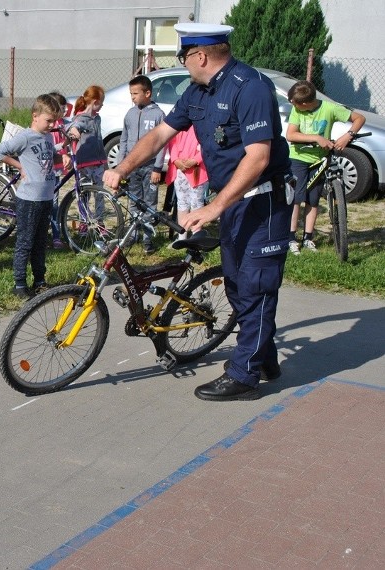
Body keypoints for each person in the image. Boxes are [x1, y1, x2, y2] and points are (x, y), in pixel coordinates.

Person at [103, 23, 293, 402]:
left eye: (184, 57)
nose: (184, 64)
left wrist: (213, 207)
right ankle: (263, 358)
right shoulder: (199, 91)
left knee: (255, 287)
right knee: (238, 285)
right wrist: (123, 167)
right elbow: (160, 135)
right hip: (235, 200)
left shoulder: (250, 87)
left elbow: (258, 158)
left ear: (201, 56)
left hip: (262, 201)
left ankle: (244, 376)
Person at [0, 94, 67, 299]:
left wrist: (63, 156)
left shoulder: (48, 136)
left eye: (55, 121)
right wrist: (19, 166)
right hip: (29, 199)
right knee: (25, 241)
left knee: (41, 241)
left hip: (45, 197)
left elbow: (50, 155)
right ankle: (19, 283)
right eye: (48, 121)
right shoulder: (25, 137)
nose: (52, 125)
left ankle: (40, 280)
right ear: (35, 116)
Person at [285, 80, 366, 254]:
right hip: (298, 159)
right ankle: (291, 238)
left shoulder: (329, 108)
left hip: (320, 160)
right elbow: (291, 134)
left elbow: (360, 118)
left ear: (306, 103)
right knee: (296, 199)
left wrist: (348, 136)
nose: (294, 106)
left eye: (296, 104)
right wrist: (316, 137)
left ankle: (308, 237)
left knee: (313, 200)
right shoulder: (297, 110)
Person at [119, 75, 166, 254]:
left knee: (149, 203)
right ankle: (133, 235)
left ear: (148, 93)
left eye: (136, 93)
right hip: (133, 167)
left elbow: (162, 143)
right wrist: (121, 164)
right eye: (131, 94)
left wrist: (157, 168)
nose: (133, 97)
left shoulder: (158, 114)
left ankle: (148, 238)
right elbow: (124, 139)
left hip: (150, 167)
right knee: (133, 201)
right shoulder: (130, 114)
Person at [165, 125, 208, 242]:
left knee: (196, 203)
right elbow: (172, 142)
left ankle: (196, 236)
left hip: (198, 170)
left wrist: (195, 160)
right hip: (180, 169)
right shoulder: (182, 122)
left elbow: (208, 143)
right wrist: (175, 160)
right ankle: (182, 236)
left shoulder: (203, 123)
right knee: (182, 202)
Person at [67, 85, 106, 186]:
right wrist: (74, 129)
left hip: (98, 162)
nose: (102, 105)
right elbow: (76, 125)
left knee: (100, 192)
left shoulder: (97, 118)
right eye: (102, 102)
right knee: (85, 192)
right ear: (96, 102)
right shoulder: (81, 118)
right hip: (85, 163)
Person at [47, 91, 69, 249]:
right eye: (62, 108)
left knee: (54, 202)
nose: (65, 110)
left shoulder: (62, 124)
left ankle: (55, 234)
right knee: (52, 204)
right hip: (47, 170)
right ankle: (55, 236)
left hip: (57, 170)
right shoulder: (48, 126)